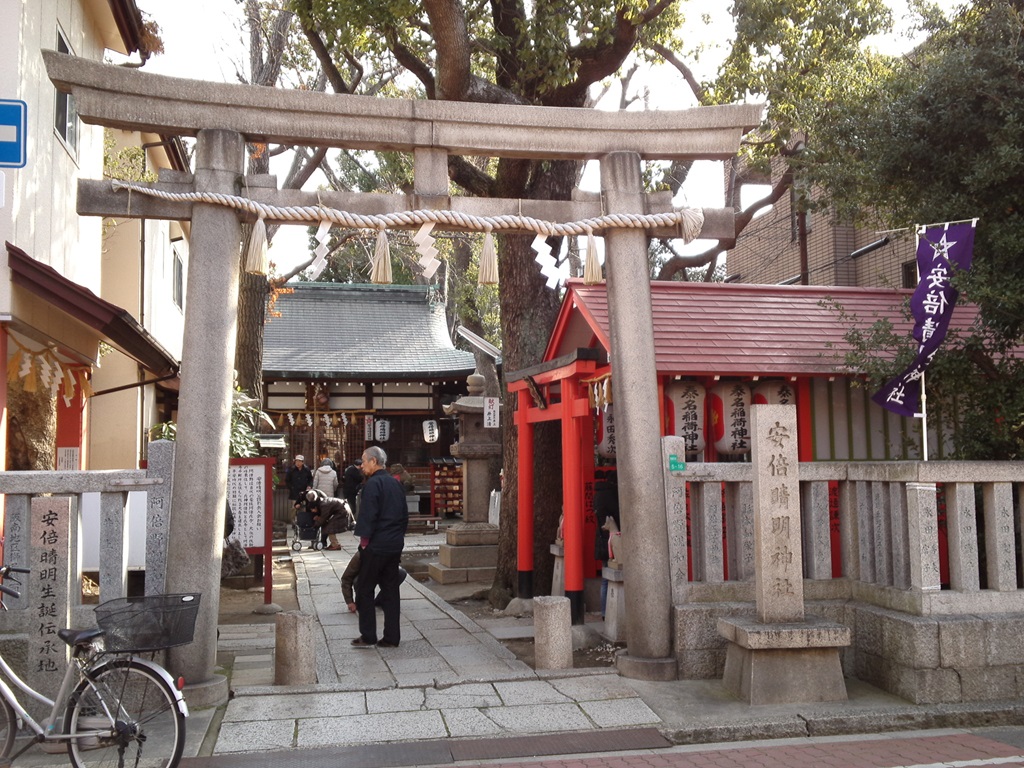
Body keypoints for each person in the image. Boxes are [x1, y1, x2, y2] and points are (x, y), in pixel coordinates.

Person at [351, 446, 408, 648]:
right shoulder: (395, 484)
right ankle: (392, 638)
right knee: (391, 591)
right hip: (394, 544)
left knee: (364, 588)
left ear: (374, 462)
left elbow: (368, 516)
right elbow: (404, 516)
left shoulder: (373, 484)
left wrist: (364, 543)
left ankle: (368, 635)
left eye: (364, 461)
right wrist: (398, 538)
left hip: (376, 545)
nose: (362, 465)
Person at [341, 548, 408, 612]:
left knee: (401, 573)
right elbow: (346, 578)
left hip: (382, 575)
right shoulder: (360, 555)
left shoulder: (391, 553)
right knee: (357, 580)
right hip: (365, 577)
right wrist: (349, 601)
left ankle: (381, 599)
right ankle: (362, 600)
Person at [593, 470, 620, 618]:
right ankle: (609, 611)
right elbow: (618, 513)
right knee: (609, 576)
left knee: (605, 576)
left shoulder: (598, 494)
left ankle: (604, 611)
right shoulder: (610, 495)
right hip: (612, 539)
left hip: (601, 538)